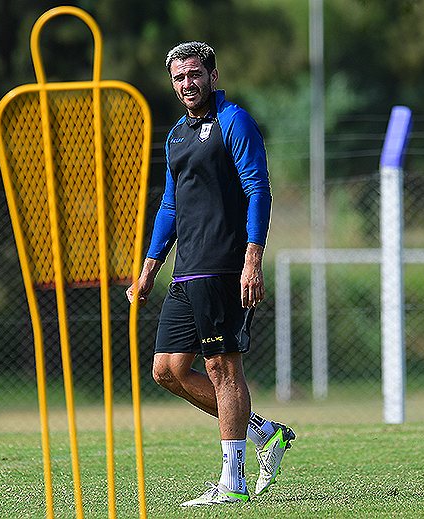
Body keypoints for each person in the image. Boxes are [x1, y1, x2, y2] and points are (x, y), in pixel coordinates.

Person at [126, 41, 295, 507]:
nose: (188, 83)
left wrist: (253, 259)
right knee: (167, 371)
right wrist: (148, 270)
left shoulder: (234, 121)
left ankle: (232, 482)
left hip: (224, 264)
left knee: (222, 368)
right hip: (186, 270)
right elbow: (170, 206)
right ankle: (263, 433)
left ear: (213, 76)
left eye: (195, 74)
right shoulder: (176, 136)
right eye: (179, 77)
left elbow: (258, 189)